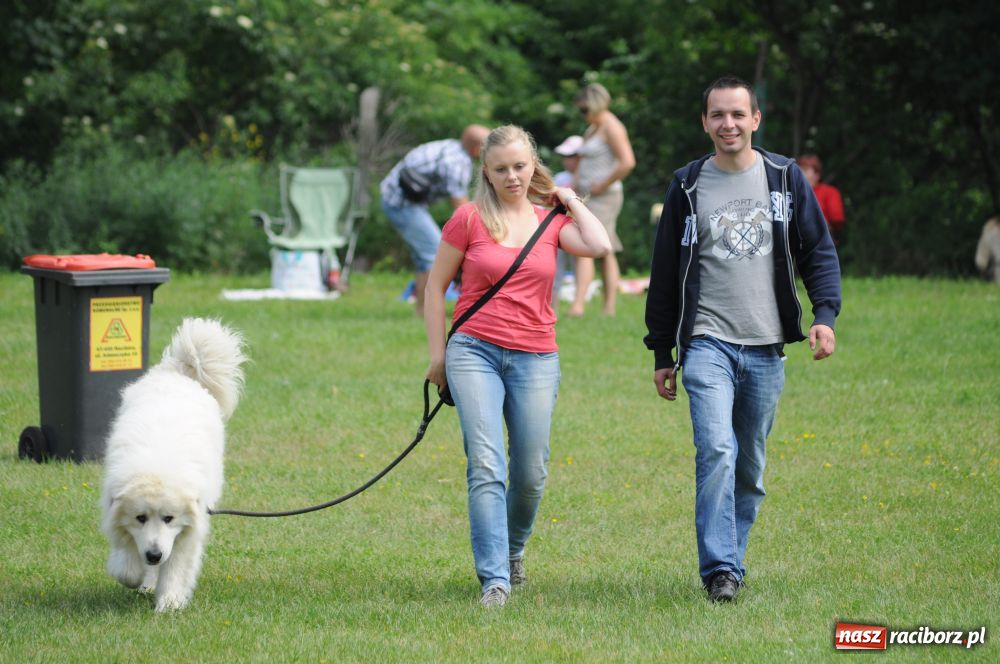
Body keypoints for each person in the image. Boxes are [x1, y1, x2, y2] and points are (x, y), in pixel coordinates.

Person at [643, 76, 841, 603]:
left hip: (766, 345)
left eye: (737, 114)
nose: (727, 124)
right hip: (706, 340)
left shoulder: (784, 178)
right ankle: (721, 571)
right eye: (717, 115)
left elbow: (818, 251)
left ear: (755, 119)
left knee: (749, 468)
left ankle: (732, 557)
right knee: (716, 450)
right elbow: (664, 273)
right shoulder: (687, 186)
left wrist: (824, 314)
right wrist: (662, 351)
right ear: (704, 122)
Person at [424, 125, 611, 608]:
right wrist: (438, 356)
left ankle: (512, 552)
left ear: (533, 167)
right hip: (474, 351)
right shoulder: (467, 219)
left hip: (536, 356)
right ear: (486, 172)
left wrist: (569, 198)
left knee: (530, 472)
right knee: (487, 464)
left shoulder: (551, 222)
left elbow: (599, 245)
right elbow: (434, 288)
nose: (512, 176)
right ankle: (495, 580)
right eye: (501, 168)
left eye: (520, 166)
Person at [380, 124, 491, 316]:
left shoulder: (450, 146)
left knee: (424, 258)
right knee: (434, 253)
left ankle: (421, 311)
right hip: (401, 204)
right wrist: (485, 231)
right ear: (476, 148)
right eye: (487, 148)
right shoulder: (457, 163)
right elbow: (461, 207)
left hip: (399, 199)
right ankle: (429, 311)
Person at [568, 83, 636, 317]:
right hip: (587, 196)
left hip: (605, 197)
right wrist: (575, 183)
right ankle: (608, 308)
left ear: (596, 104)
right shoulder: (593, 128)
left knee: (589, 244)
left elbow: (627, 161)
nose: (582, 115)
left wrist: (603, 184)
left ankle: (579, 305)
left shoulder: (612, 127)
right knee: (606, 250)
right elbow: (583, 160)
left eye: (584, 110)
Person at [552, 135, 584, 300]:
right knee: (556, 267)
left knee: (579, 263)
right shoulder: (560, 178)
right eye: (565, 156)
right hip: (560, 229)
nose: (567, 160)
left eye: (571, 156)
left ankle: (579, 300)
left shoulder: (587, 179)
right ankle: (553, 303)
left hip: (580, 230)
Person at [797, 154, 846, 247]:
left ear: (817, 175)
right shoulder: (793, 193)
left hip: (821, 241)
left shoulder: (829, 192)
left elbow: (837, 219)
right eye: (799, 170)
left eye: (805, 170)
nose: (800, 174)